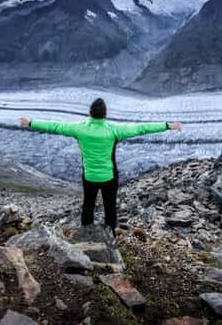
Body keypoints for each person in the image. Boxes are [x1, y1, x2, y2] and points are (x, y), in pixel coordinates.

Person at [19, 98, 182, 235]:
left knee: (88, 205)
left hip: (89, 176)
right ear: (105, 114)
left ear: (90, 113)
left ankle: (85, 235)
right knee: (110, 208)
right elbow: (141, 128)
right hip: (109, 177)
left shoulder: (79, 129)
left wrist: (31, 122)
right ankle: (110, 237)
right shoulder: (114, 130)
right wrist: (168, 125)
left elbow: (55, 126)